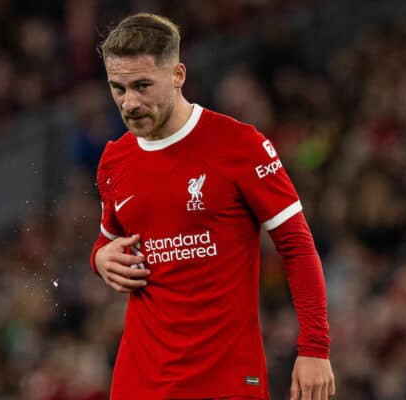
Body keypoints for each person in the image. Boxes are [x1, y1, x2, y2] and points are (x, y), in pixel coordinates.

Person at [90, 13, 335, 400]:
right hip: (140, 383)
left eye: (141, 86)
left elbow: (297, 246)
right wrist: (101, 260)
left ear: (178, 75)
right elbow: (106, 243)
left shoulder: (240, 146)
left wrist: (315, 348)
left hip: (225, 381)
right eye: (117, 88)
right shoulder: (114, 161)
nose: (129, 103)